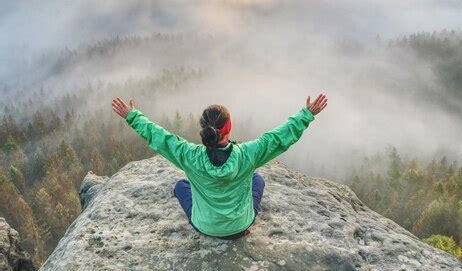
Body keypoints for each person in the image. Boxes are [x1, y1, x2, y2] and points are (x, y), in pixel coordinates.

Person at [112, 94, 328, 240]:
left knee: (180, 186)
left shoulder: (189, 156)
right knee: (257, 179)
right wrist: (306, 114)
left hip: (204, 227)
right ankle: (239, 224)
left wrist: (132, 116)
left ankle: (210, 218)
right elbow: (279, 138)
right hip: (240, 226)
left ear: (203, 128)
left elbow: (159, 137)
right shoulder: (248, 155)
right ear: (229, 126)